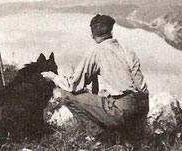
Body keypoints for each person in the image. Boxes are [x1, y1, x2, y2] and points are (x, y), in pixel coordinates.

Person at [41, 14, 149, 147]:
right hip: (140, 109)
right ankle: (127, 136)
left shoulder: (97, 51)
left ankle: (102, 137)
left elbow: (72, 85)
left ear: (92, 35)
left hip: (121, 111)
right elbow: (142, 87)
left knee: (67, 96)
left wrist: (53, 77)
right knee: (111, 100)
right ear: (111, 32)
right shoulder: (127, 50)